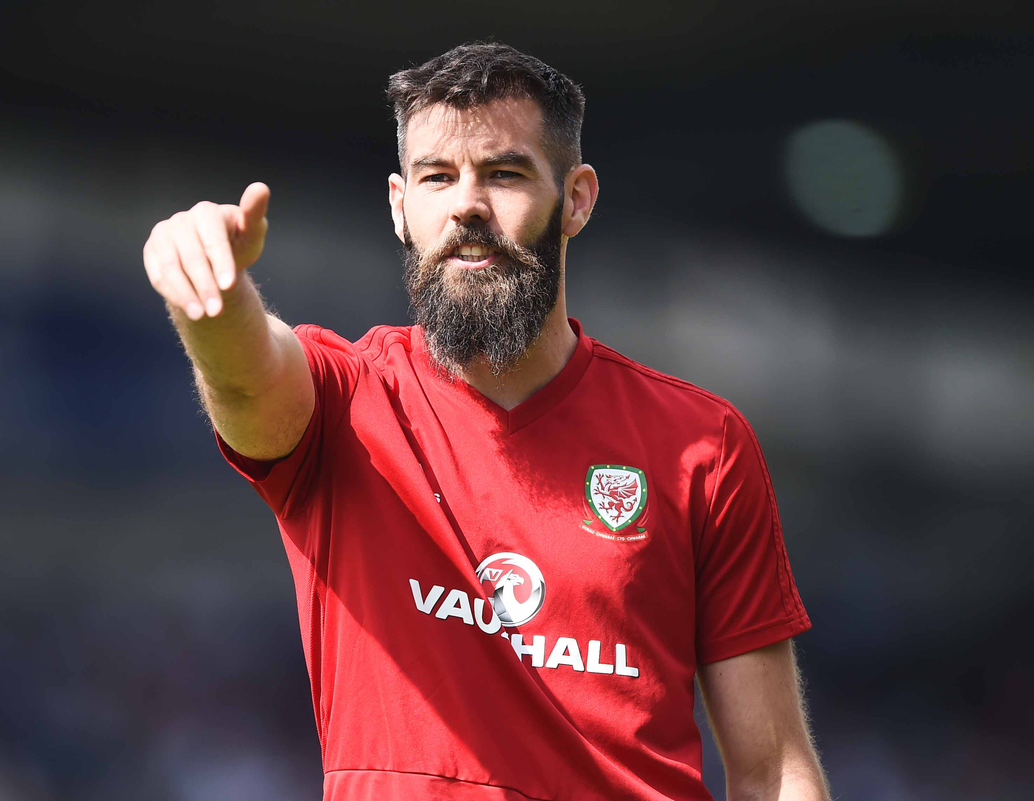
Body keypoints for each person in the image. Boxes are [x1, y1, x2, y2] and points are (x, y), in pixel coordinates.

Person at [142, 41, 829, 801]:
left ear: (576, 199)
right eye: (439, 177)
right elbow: (247, 380)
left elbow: (772, 769)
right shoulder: (346, 401)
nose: (467, 203)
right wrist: (210, 296)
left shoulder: (701, 444)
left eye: (503, 173)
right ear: (402, 208)